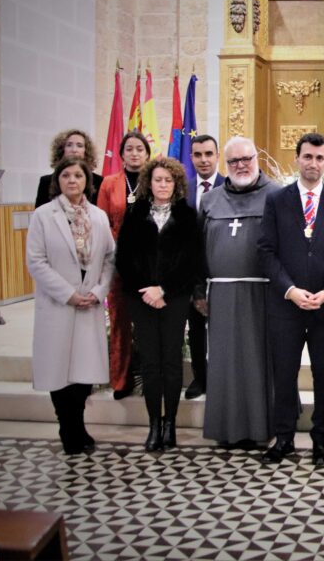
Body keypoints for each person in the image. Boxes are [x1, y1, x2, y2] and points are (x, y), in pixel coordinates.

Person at [258, 133, 324, 465]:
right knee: (284, 373)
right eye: (308, 157)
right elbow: (266, 252)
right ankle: (283, 437)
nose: (313, 163)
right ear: (297, 159)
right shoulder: (277, 200)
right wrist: (291, 290)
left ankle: (320, 440)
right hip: (286, 305)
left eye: (319, 158)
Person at [27, 158, 115, 455]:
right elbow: (36, 262)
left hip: (89, 304)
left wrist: (98, 290)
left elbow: (109, 259)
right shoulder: (43, 216)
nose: (72, 180)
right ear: (57, 180)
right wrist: (68, 294)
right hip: (58, 305)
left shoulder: (99, 216)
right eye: (66, 175)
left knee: (83, 372)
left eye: (78, 175)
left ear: (87, 180)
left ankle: (78, 424)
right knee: (59, 371)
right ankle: (67, 427)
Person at [196, 136, 278, 447]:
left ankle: (261, 429)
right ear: (224, 165)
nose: (241, 165)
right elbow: (197, 250)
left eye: (246, 159)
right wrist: (197, 291)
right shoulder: (210, 201)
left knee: (259, 362)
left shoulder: (278, 195)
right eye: (233, 161)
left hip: (263, 295)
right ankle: (225, 429)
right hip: (221, 295)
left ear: (258, 159)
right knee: (224, 362)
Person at [116, 158, 201, 452]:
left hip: (174, 299)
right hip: (141, 299)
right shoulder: (135, 213)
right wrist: (147, 290)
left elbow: (192, 262)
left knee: (171, 361)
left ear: (176, 184)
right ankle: (154, 423)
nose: (163, 185)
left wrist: (163, 289)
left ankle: (170, 425)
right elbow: (123, 259)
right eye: (158, 180)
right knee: (151, 363)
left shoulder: (188, 216)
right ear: (148, 183)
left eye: (168, 180)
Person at [97, 131, 151, 399]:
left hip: (148, 263)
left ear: (147, 153)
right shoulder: (109, 183)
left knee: (147, 321)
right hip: (117, 261)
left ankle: (149, 376)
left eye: (139, 149)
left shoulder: (156, 180)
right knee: (119, 320)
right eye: (129, 149)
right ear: (121, 154)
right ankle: (121, 380)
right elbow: (101, 222)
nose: (134, 153)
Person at [183, 134, 225, 401]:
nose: (204, 160)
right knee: (197, 329)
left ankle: (222, 377)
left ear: (217, 156)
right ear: (191, 158)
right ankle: (200, 377)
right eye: (198, 155)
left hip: (223, 270)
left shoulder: (231, 186)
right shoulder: (183, 190)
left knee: (223, 330)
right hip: (191, 272)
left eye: (209, 154)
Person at [35, 129, 105, 208]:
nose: (74, 150)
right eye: (69, 145)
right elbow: (40, 215)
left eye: (79, 146)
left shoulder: (100, 182)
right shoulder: (46, 181)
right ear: (62, 150)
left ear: (86, 152)